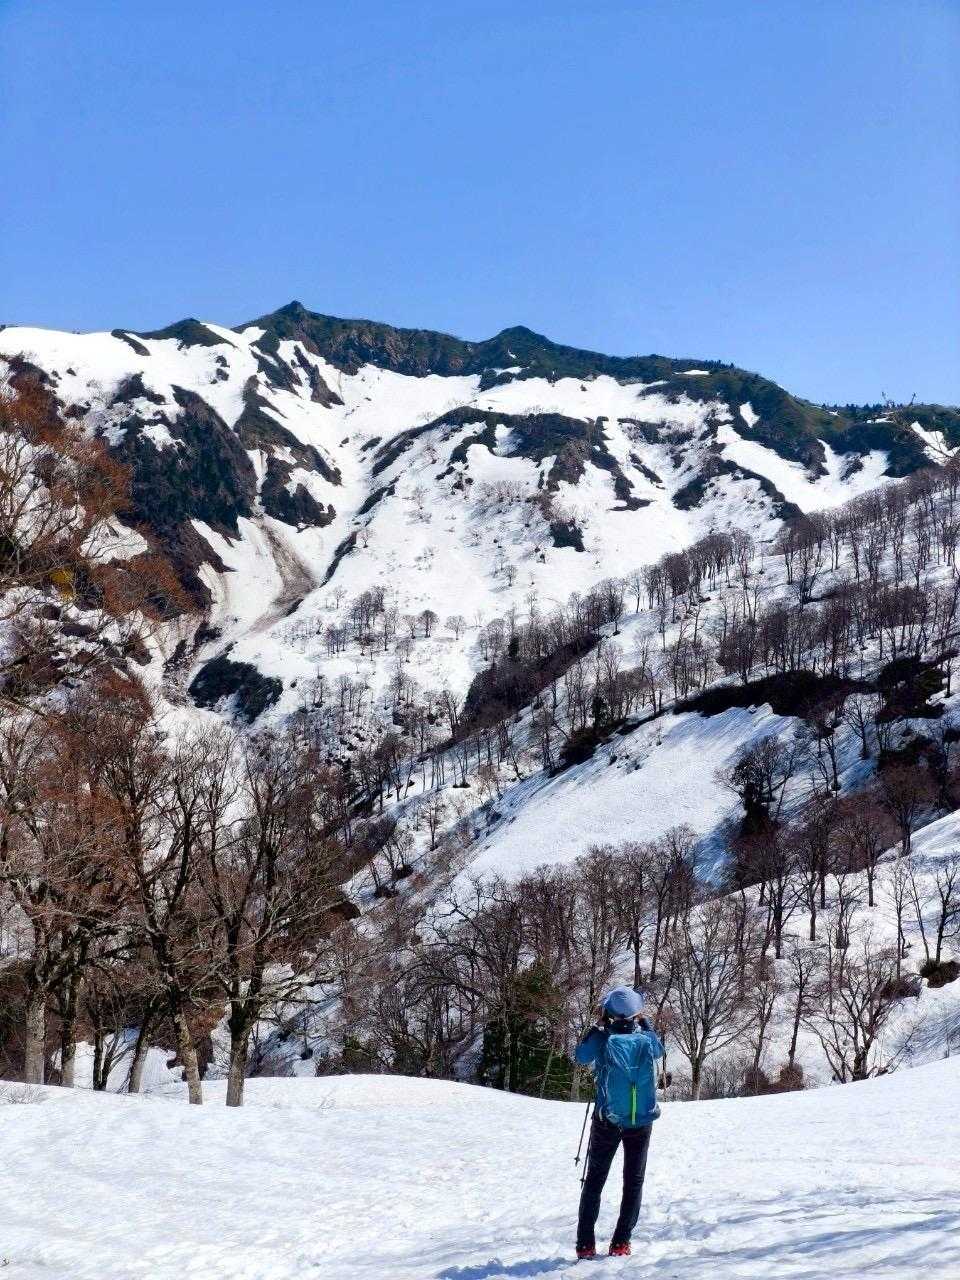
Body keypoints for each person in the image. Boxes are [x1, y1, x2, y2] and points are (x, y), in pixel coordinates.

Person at [574, 986, 665, 1260]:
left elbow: (581, 1056)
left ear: (608, 1013)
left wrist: (596, 1027)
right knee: (633, 1181)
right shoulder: (646, 1038)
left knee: (594, 1180)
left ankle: (585, 1245)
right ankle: (621, 1242)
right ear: (636, 1013)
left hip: (607, 1120)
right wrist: (646, 1024)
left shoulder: (603, 1039)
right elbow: (659, 1051)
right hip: (640, 1120)